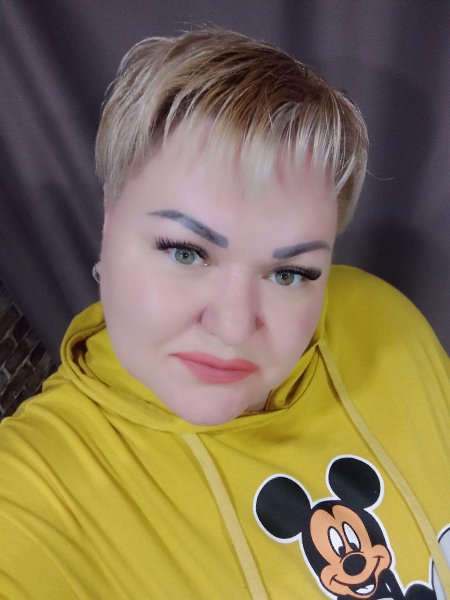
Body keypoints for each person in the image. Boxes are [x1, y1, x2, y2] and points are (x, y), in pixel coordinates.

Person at [0, 28, 448, 600]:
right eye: (186, 252)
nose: (234, 329)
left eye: (289, 273)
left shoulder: (382, 318)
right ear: (109, 218)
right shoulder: (35, 494)